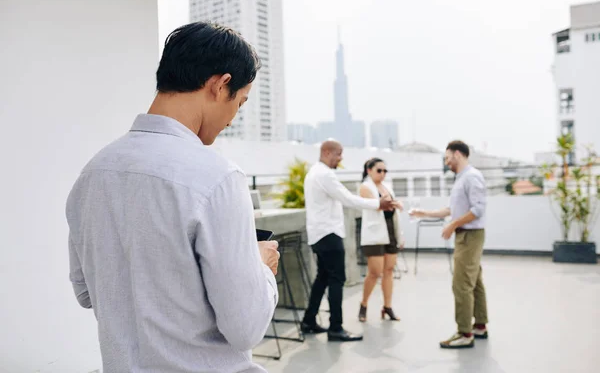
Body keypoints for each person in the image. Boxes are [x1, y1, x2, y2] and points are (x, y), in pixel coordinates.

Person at [66, 22, 280, 372]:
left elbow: (85, 292)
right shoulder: (218, 177)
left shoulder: (93, 172)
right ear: (219, 84)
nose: (232, 119)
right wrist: (261, 269)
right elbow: (246, 328)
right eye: (240, 103)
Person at [300, 140, 395, 342]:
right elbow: (348, 199)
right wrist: (378, 203)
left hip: (318, 233)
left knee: (322, 278)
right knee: (336, 280)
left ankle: (308, 321)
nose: (341, 158)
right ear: (326, 152)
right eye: (338, 153)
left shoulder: (313, 173)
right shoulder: (325, 174)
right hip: (329, 234)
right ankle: (336, 328)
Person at [409, 140, 488, 349]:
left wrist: (453, 225)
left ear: (458, 154)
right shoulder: (461, 179)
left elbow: (478, 209)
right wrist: (423, 213)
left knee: (461, 285)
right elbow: (453, 209)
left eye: (447, 158)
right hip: (467, 235)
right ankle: (480, 326)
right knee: (475, 282)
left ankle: (464, 333)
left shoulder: (471, 177)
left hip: (469, 236)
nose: (446, 162)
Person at [358, 158, 404, 322]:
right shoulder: (365, 187)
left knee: (389, 271)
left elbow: (394, 211)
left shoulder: (387, 187)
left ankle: (388, 307)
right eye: (379, 170)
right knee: (375, 272)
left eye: (385, 171)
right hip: (375, 235)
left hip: (391, 232)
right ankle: (363, 304)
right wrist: (395, 203)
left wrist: (400, 236)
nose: (383, 174)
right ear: (369, 170)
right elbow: (378, 204)